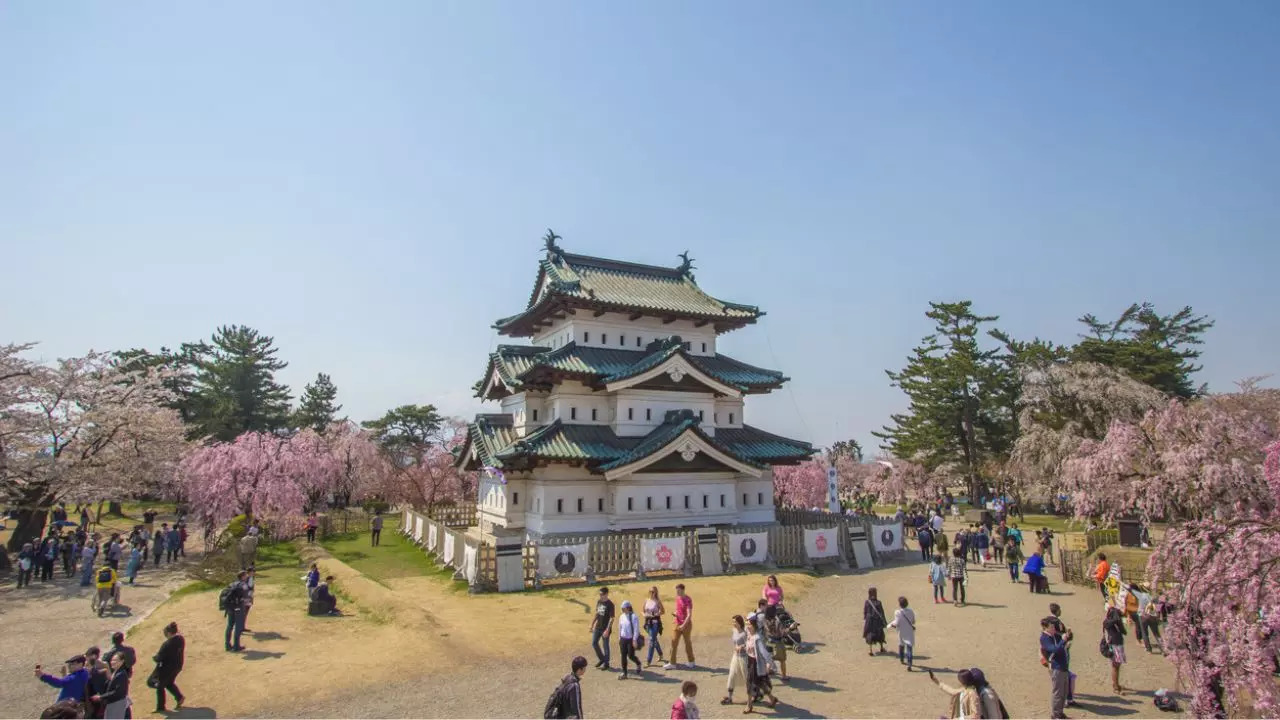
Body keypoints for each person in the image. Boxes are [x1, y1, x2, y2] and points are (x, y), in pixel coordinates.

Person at [1040, 616, 1073, 719]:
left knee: (1063, 692)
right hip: (1056, 667)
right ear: (1045, 628)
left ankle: (1060, 712)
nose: (1054, 629)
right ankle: (1055, 714)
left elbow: (1062, 642)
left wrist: (1068, 636)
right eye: (1051, 627)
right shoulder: (1044, 638)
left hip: (1063, 666)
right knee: (1057, 692)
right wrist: (1063, 641)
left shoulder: (1054, 635)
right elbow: (1053, 649)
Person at [744, 616, 777, 712]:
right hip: (750, 661)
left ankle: (749, 705)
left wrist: (770, 664)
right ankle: (772, 698)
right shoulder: (749, 635)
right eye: (747, 625)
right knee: (760, 683)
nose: (748, 627)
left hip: (755, 663)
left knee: (750, 683)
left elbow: (764, 652)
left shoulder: (757, 638)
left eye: (749, 625)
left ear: (754, 626)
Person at [152, 622, 185, 713]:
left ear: (169, 633)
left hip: (167, 668)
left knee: (160, 686)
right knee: (169, 683)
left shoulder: (166, 644)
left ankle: (161, 707)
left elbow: (159, 658)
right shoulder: (180, 639)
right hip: (178, 665)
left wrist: (154, 658)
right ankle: (179, 697)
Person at [92, 650, 131, 718]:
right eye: (112, 660)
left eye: (115, 660)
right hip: (114, 705)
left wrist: (101, 697)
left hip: (119, 706)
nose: (112, 662)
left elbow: (117, 692)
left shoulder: (121, 674)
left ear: (122, 661)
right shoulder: (115, 672)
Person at [721, 615, 750, 705]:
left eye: (735, 622)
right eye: (733, 622)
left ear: (739, 622)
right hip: (736, 656)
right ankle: (730, 697)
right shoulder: (734, 631)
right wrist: (736, 647)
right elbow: (735, 642)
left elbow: (749, 644)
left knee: (747, 677)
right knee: (732, 675)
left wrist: (742, 647)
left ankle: (755, 693)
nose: (733, 623)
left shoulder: (744, 633)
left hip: (744, 658)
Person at [665, 584, 695, 670]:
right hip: (677, 624)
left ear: (682, 590)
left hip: (686, 625)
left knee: (687, 643)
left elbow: (689, 615)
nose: (677, 592)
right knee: (673, 642)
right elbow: (679, 610)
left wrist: (683, 625)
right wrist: (675, 614)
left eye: (678, 590)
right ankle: (672, 663)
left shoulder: (688, 600)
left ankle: (691, 661)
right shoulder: (678, 599)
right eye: (676, 590)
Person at [589, 586, 615, 671]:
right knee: (594, 643)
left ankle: (606, 663)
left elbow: (612, 618)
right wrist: (592, 624)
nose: (600, 596)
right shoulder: (599, 602)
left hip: (605, 629)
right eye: (600, 594)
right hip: (598, 627)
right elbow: (597, 614)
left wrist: (607, 630)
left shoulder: (610, 604)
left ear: (606, 594)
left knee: (605, 646)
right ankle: (602, 659)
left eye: (602, 594)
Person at [888, 596, 916, 671]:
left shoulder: (897, 612)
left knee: (901, 645)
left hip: (901, 631)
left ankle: (902, 659)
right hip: (909, 631)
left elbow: (896, 623)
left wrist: (891, 625)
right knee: (909, 648)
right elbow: (913, 621)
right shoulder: (911, 611)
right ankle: (909, 664)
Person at [1103, 606, 1127, 693]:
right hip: (1115, 645)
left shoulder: (1106, 621)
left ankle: (1116, 684)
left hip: (1114, 645)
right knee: (1115, 666)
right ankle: (1115, 686)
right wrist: (1118, 621)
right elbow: (1124, 631)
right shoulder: (1112, 622)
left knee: (1115, 666)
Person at [763, 604, 789, 682]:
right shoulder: (777, 621)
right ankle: (784, 676)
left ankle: (765, 676)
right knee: (782, 660)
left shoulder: (765, 620)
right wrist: (789, 629)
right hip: (778, 643)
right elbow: (782, 633)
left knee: (769, 660)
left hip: (769, 641)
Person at [617, 600, 643, 679]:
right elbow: (620, 627)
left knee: (631, 656)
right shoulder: (621, 616)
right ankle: (624, 673)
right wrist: (619, 638)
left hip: (630, 639)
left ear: (628, 608)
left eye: (623, 608)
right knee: (623, 656)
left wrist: (634, 640)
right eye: (622, 608)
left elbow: (636, 629)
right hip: (623, 639)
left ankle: (638, 663)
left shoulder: (634, 617)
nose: (622, 610)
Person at [224, 570, 249, 651]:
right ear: (242, 577)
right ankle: (236, 646)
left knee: (229, 626)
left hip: (230, 607)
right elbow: (245, 596)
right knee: (238, 627)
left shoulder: (232, 584)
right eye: (246, 575)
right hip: (238, 607)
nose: (247, 576)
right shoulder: (243, 585)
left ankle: (227, 645)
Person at [643, 586, 666, 667]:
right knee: (654, 639)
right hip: (648, 623)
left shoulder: (657, 601)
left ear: (656, 593)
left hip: (655, 623)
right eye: (650, 591)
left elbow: (663, 611)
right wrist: (644, 615)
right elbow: (643, 611)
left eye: (653, 592)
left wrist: (656, 614)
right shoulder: (646, 600)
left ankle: (648, 661)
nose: (652, 593)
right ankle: (660, 654)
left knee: (652, 640)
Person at [862, 587, 888, 655]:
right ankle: (882, 648)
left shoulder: (867, 602)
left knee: (870, 634)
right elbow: (882, 612)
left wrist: (866, 619)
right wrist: (884, 622)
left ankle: (870, 650)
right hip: (877, 621)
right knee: (880, 633)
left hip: (869, 621)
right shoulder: (879, 602)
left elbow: (865, 612)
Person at [241, 566, 257, 632]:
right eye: (253, 571)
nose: (254, 573)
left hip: (249, 597)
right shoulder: (247, 578)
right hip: (246, 597)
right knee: (243, 612)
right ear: (250, 572)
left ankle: (242, 627)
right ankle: (240, 627)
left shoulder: (250, 578)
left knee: (245, 612)